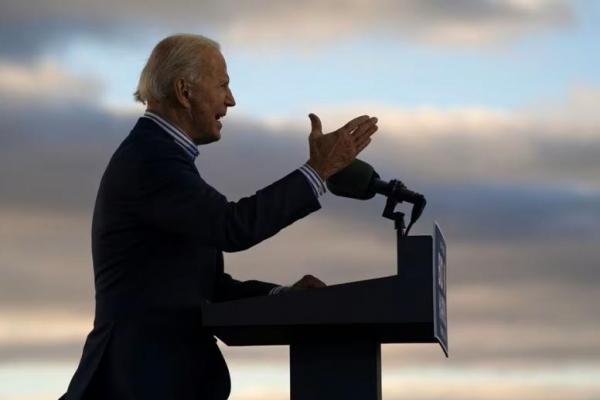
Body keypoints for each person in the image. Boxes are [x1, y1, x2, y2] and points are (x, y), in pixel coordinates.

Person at [60, 33, 378, 399]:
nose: (231, 100)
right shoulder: (151, 161)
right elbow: (233, 227)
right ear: (184, 91)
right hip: (138, 382)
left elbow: (208, 290)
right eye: (223, 85)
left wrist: (284, 296)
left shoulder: (164, 158)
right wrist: (317, 171)